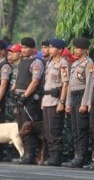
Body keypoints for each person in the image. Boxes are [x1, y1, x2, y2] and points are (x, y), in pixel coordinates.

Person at [62, 37, 93, 168]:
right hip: (74, 97)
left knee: (82, 129)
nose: (75, 50)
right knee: (75, 129)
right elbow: (70, 85)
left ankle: (82, 157)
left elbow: (90, 85)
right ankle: (77, 155)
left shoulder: (89, 63)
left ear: (84, 49)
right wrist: (68, 103)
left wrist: (85, 103)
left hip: (82, 97)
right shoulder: (75, 64)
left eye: (77, 48)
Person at [14, 37, 45, 164]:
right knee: (22, 127)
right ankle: (26, 153)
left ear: (33, 49)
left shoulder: (36, 62)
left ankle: (31, 155)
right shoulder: (22, 62)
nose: (23, 50)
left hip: (30, 98)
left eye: (26, 47)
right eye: (22, 47)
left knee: (29, 127)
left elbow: (35, 81)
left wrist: (25, 96)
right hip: (20, 97)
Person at [40, 38, 69, 166]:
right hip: (47, 99)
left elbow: (65, 84)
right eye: (49, 47)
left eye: (52, 47)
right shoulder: (50, 63)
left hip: (55, 100)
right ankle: (52, 155)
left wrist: (62, 101)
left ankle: (56, 156)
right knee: (47, 130)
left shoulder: (63, 64)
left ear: (60, 50)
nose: (49, 49)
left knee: (54, 129)